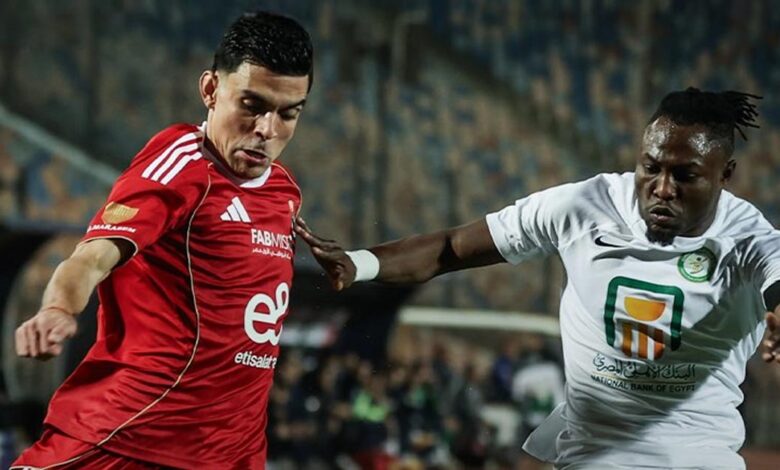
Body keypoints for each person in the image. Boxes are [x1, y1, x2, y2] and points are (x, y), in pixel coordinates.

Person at [296, 88, 780, 469]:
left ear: (726, 174)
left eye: (685, 176)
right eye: (650, 168)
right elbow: (451, 247)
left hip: (695, 459)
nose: (662, 188)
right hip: (593, 457)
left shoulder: (749, 239)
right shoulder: (586, 207)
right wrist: (360, 263)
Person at [13, 10, 312, 469]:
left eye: (288, 113)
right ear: (210, 90)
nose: (267, 130)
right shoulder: (182, 167)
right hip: (132, 436)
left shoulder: (283, 192)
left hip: (231, 455)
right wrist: (58, 308)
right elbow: (92, 257)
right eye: (251, 105)